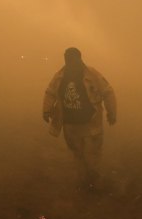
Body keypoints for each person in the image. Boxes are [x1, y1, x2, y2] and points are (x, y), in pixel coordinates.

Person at [43, 47, 117, 191]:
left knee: (93, 154)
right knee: (77, 154)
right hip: (70, 124)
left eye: (72, 58)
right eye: (67, 58)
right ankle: (83, 181)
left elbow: (107, 91)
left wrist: (112, 112)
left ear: (79, 58)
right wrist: (46, 110)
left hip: (91, 123)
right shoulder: (60, 76)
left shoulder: (92, 74)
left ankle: (93, 180)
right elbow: (50, 92)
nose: (69, 61)